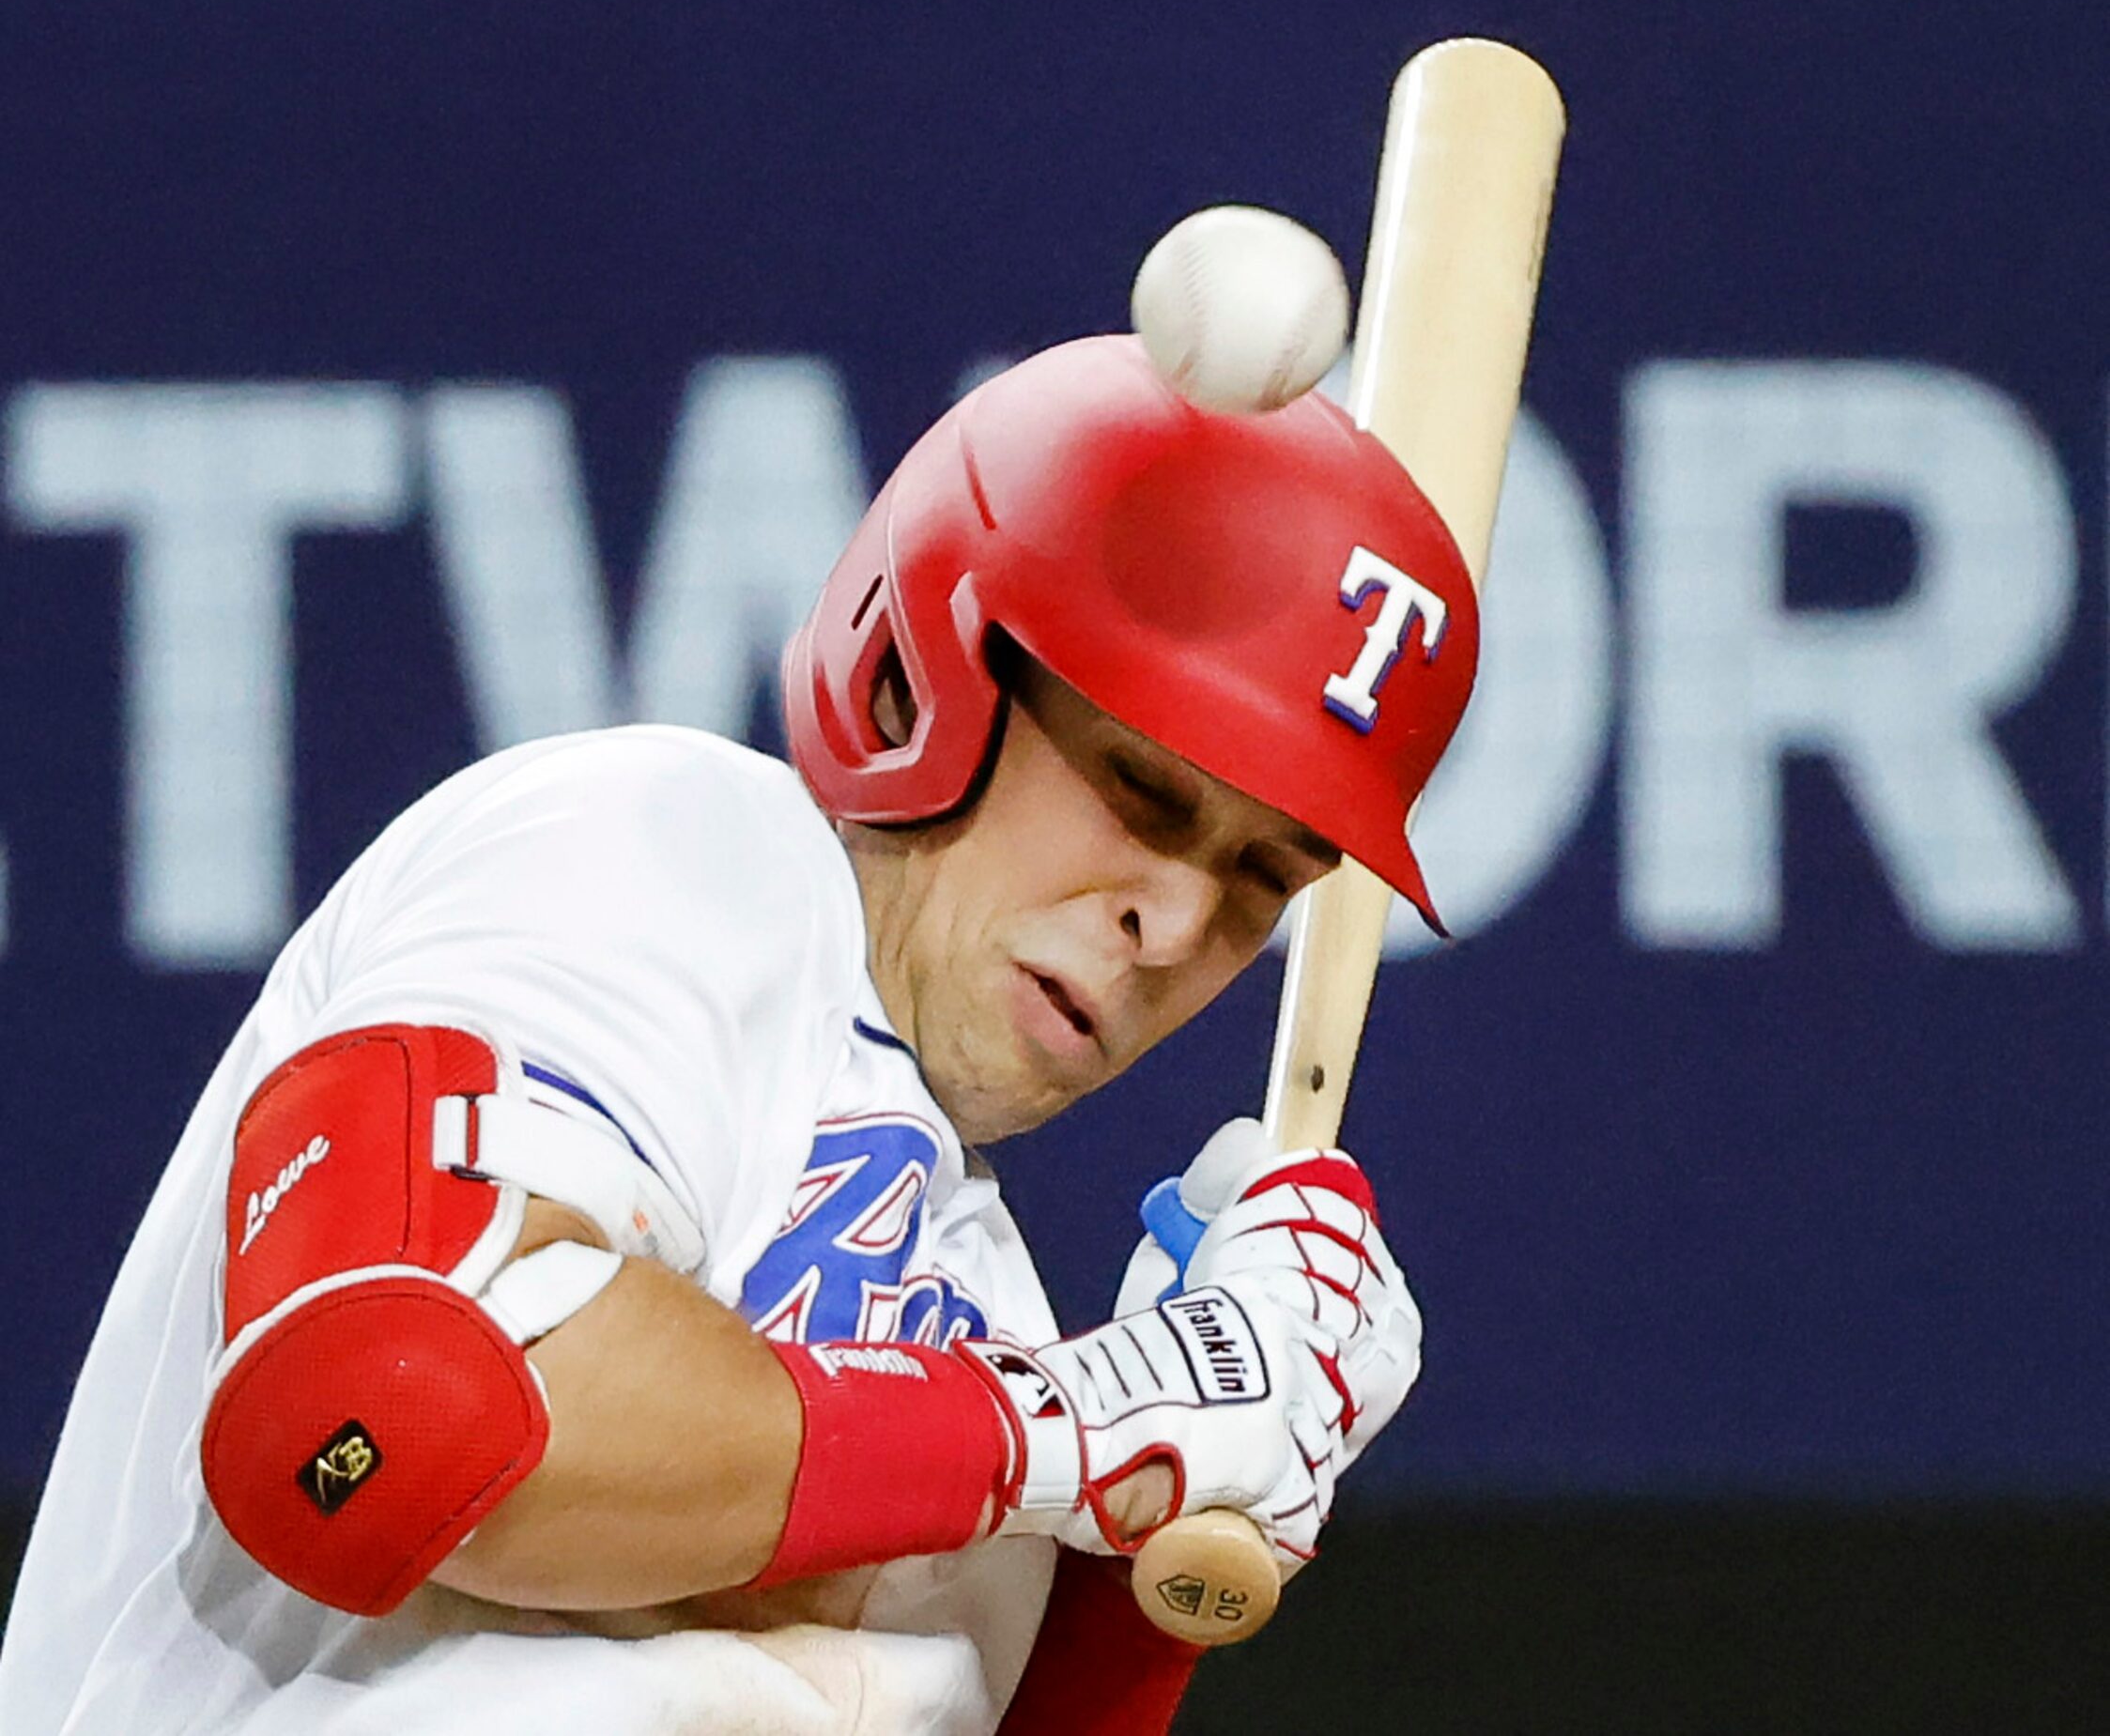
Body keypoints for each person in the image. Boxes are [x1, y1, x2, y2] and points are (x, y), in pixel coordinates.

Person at [0, 333, 1478, 1734]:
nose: (1172, 920)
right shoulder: (667, 851)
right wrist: (1078, 1428)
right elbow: (379, 1425)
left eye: (1258, 878)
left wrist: (1166, 1531)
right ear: (926, 672)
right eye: (1140, 791)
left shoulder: (993, 1310)